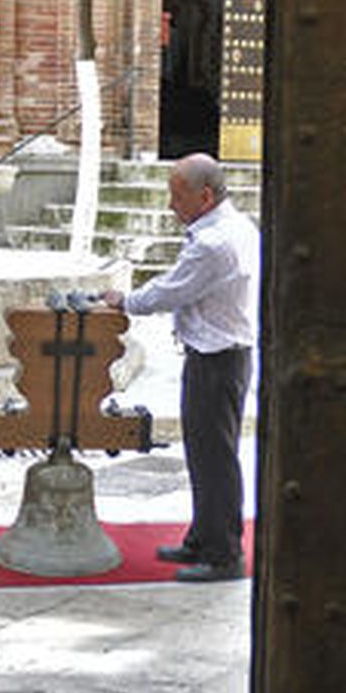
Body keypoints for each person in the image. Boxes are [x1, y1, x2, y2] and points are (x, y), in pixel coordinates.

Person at [102, 153, 259, 582]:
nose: (170, 205)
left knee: (215, 457)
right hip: (221, 354)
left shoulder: (214, 243)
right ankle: (202, 538)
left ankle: (224, 554)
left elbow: (171, 291)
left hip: (217, 358)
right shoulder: (236, 226)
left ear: (205, 197)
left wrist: (125, 300)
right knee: (203, 452)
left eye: (177, 195)